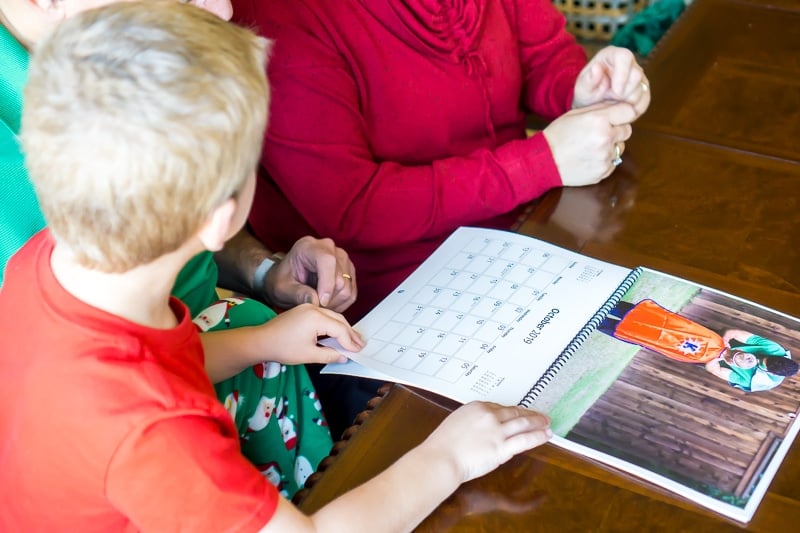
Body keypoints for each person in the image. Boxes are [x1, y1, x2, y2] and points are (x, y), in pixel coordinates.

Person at [0, 4, 553, 529]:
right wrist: (450, 457)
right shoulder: (154, 433)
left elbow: (159, 361)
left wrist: (260, 343)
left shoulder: (46, 267)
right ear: (220, 221)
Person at [0, 0, 356, 492]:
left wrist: (262, 271)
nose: (224, 9)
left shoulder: (115, 56)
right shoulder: (140, 426)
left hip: (242, 367)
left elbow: (168, 229)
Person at [232, 0, 651, 323]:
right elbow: (352, 206)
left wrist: (580, 92)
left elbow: (541, 55)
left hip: (525, 234)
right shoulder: (281, 17)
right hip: (397, 295)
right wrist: (538, 163)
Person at [596, 299, 728, 364]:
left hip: (659, 334)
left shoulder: (712, 350)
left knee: (617, 317)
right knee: (621, 313)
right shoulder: (716, 343)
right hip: (658, 329)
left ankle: (595, 315)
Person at [704, 329, 798, 392]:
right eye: (762, 357)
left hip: (713, 360)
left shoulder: (757, 381)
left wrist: (719, 357)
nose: (755, 359)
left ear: (772, 373)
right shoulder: (774, 349)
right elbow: (733, 333)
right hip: (725, 342)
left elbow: (714, 370)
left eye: (760, 363)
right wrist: (724, 342)